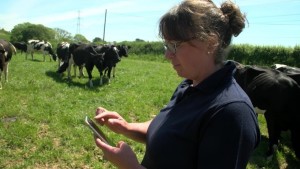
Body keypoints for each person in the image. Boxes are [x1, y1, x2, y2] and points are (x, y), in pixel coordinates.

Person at [93, 0, 261, 168]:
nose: (167, 55)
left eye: (174, 45)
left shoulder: (231, 113)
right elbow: (170, 133)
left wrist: (132, 167)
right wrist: (126, 127)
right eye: (167, 45)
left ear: (210, 42)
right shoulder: (188, 86)